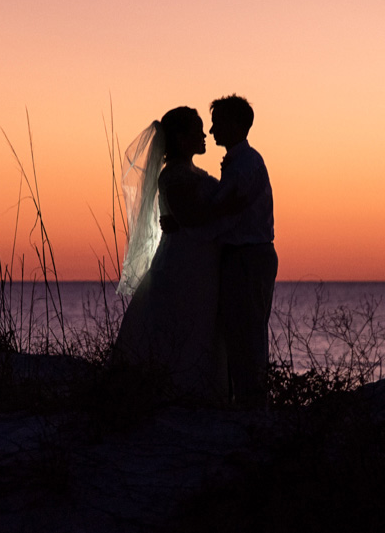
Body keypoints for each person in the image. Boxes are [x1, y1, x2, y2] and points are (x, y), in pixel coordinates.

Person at [112, 107, 228, 404]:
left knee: (199, 323)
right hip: (183, 264)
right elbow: (191, 217)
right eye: (197, 131)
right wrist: (228, 210)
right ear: (180, 138)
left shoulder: (190, 173)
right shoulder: (174, 176)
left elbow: (192, 217)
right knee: (180, 321)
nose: (204, 136)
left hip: (199, 262)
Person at [209, 95, 277, 409]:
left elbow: (228, 215)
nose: (211, 131)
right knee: (239, 334)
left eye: (217, 123)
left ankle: (251, 405)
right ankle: (245, 401)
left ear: (235, 125)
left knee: (247, 335)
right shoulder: (243, 162)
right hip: (244, 257)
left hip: (248, 258)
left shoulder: (245, 165)